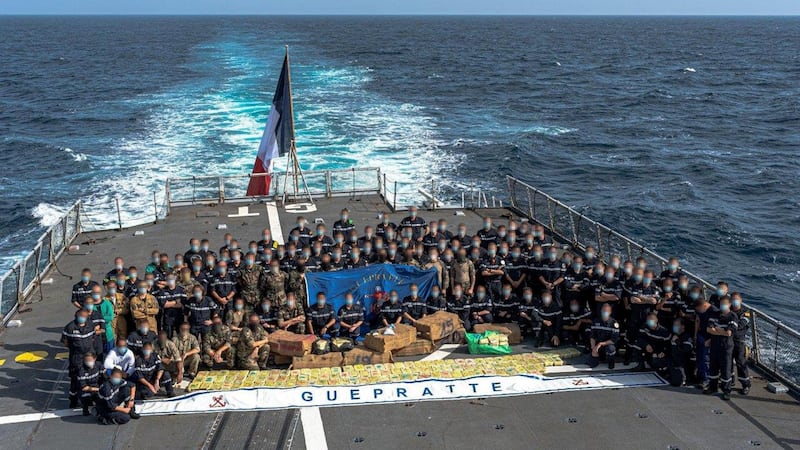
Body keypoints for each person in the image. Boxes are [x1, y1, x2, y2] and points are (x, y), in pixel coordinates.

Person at [62, 309, 97, 408]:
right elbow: (65, 342)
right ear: (76, 316)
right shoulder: (69, 327)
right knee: (75, 380)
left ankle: (89, 399)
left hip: (89, 355)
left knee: (91, 377)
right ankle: (73, 400)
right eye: (81, 316)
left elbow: (93, 337)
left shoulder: (90, 326)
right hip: (76, 357)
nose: (83, 318)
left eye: (85, 316)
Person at [705, 295, 737, 400]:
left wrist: (716, 330)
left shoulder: (733, 316)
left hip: (726, 347)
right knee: (713, 367)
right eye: (721, 304)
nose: (722, 306)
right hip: (715, 345)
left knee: (726, 369)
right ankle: (713, 387)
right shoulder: (715, 314)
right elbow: (709, 329)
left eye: (725, 304)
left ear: (729, 305)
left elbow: (728, 333)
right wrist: (720, 331)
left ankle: (726, 390)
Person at [694, 295, 718, 389]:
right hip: (701, 335)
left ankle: (707, 379)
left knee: (706, 359)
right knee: (699, 357)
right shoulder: (700, 311)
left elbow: (716, 328)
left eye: (699, 310)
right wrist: (695, 335)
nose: (698, 312)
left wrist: (711, 339)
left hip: (708, 338)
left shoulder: (714, 312)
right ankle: (701, 376)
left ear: (703, 306)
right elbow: (698, 320)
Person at [730, 292, 751, 395]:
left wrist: (730, 327)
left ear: (741, 300)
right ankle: (730, 381)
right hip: (728, 341)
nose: (735, 301)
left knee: (741, 363)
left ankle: (745, 384)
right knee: (728, 362)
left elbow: (742, 324)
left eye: (736, 299)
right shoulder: (728, 310)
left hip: (739, 341)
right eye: (733, 299)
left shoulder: (745, 312)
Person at [589, 304, 620, 369]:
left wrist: (600, 344)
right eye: (603, 311)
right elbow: (592, 336)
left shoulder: (614, 323)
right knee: (592, 365)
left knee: (611, 349)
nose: (604, 312)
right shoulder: (595, 321)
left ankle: (611, 361)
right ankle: (599, 357)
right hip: (597, 345)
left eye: (606, 311)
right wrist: (593, 348)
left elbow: (613, 340)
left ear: (610, 312)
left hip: (608, 344)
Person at [155, 274, 185, 339]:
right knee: (168, 337)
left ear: (175, 280)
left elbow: (182, 304)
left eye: (172, 279)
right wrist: (176, 301)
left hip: (179, 317)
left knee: (181, 336)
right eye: (169, 279)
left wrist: (170, 304)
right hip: (167, 318)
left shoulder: (181, 290)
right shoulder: (163, 291)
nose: (170, 281)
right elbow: (164, 305)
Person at [668, 318, 694, 387]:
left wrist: (677, 341)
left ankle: (684, 379)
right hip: (674, 362)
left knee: (676, 382)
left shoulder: (686, 337)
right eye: (674, 325)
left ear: (683, 326)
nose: (675, 327)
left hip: (683, 364)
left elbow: (686, 350)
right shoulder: (673, 335)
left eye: (677, 325)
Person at [104, 280, 129, 347]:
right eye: (110, 288)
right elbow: (104, 313)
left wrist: (120, 311)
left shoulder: (122, 297)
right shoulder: (104, 299)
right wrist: (112, 313)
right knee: (113, 339)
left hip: (121, 320)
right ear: (107, 288)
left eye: (113, 287)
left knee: (123, 337)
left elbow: (127, 309)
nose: (112, 289)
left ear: (116, 287)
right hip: (111, 322)